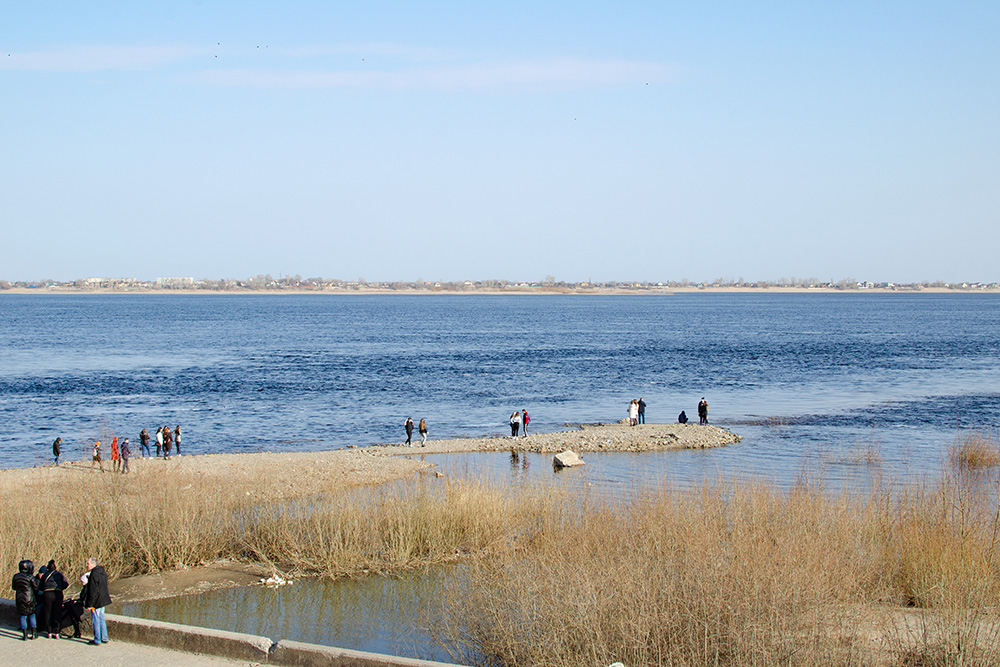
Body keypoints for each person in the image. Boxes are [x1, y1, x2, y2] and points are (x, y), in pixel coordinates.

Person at [84, 557, 112, 646]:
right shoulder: (102, 572)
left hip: (96, 601)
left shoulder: (94, 574)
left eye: (88, 563)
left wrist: (89, 604)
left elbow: (92, 591)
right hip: (103, 599)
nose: (86, 565)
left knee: (95, 620)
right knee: (101, 618)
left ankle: (97, 639)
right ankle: (104, 637)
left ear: (93, 564)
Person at [38, 560, 69, 639]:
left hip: (47, 594)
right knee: (57, 612)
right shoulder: (59, 574)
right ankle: (57, 631)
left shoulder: (45, 575)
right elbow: (65, 584)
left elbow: (41, 586)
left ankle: (49, 631)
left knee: (48, 612)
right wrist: (60, 587)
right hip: (57, 594)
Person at [12, 559, 38, 641]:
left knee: (23, 616)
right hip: (29, 598)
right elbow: (36, 588)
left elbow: (14, 587)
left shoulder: (16, 576)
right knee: (32, 615)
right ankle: (34, 634)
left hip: (20, 598)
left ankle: (25, 635)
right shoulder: (31, 577)